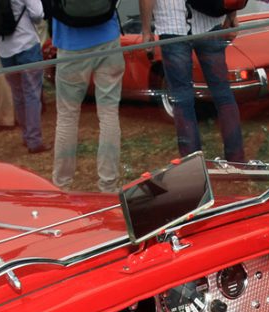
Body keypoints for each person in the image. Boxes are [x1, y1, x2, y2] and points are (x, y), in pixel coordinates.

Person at [140, 0, 243, 162]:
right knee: (223, 94)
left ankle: (192, 164)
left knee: (182, 100)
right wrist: (232, 15)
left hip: (172, 27)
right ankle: (237, 160)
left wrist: (146, 30)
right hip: (209, 23)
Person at [49, 11, 123, 192]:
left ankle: (61, 185)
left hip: (70, 44)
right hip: (108, 39)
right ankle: (109, 185)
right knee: (109, 114)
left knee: (67, 117)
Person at [0, 0, 46, 152]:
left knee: (17, 93)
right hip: (26, 42)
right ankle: (34, 140)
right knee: (32, 94)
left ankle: (26, 135)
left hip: (4, 47)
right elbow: (37, 13)